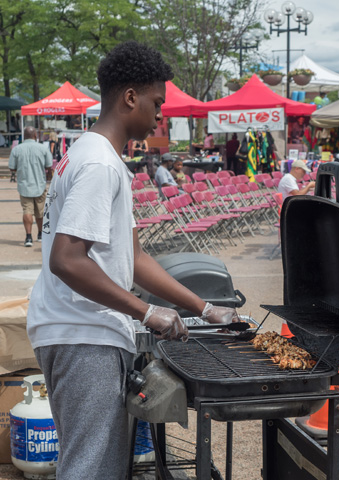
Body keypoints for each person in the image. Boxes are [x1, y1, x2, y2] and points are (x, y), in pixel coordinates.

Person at [26, 41, 240, 480]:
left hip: (79, 331)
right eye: (156, 102)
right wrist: (146, 311)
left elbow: (135, 256)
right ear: (129, 98)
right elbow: (67, 260)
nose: (159, 114)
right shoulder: (100, 165)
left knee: (94, 462)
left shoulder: (94, 157)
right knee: (91, 469)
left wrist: (203, 308)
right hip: (84, 334)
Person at [8, 126, 52, 247]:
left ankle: (28, 237)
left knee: (27, 210)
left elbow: (11, 167)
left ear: (24, 136)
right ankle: (40, 234)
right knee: (41, 211)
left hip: (24, 186)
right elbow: (49, 165)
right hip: (40, 185)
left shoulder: (17, 149)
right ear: (35, 136)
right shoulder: (43, 148)